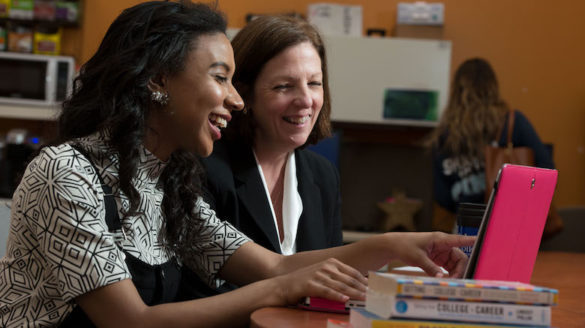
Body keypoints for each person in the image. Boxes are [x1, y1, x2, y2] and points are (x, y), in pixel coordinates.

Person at [0, 2, 474, 327]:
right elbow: (130, 321)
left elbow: (273, 265)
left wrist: (402, 245)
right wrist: (287, 287)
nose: (236, 100)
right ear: (158, 81)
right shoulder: (66, 172)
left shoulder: (168, 182)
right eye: (220, 78)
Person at [201, 15, 341, 256]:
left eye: (314, 83)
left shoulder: (323, 175)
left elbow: (333, 277)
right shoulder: (206, 169)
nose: (306, 100)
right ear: (244, 93)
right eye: (284, 86)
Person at [430, 58, 554, 231]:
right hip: (510, 223)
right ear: (493, 88)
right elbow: (546, 168)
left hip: (465, 224)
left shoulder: (445, 133)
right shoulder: (513, 122)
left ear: (457, 90)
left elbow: (441, 195)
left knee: (462, 258)